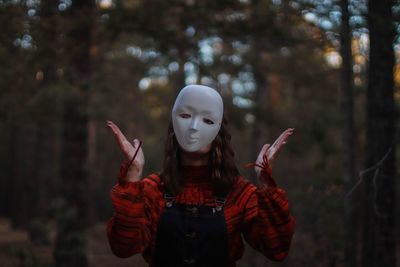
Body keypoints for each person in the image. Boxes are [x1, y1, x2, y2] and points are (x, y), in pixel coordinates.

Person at [106, 84, 296, 267]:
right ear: (174, 125)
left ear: (219, 132)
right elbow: (123, 247)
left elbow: (276, 249)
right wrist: (132, 176)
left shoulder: (239, 193)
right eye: (186, 115)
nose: (194, 127)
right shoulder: (153, 189)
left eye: (207, 120)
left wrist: (265, 185)